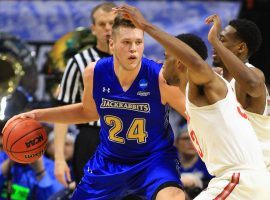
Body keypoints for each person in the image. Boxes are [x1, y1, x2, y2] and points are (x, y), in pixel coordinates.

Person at [3, 11, 187, 200]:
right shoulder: (94, 72)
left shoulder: (159, 78)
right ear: (112, 44)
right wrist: (37, 115)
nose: (133, 48)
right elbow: (88, 112)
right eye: (126, 42)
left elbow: (193, 115)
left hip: (153, 161)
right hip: (109, 161)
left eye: (138, 42)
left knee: (173, 197)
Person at [113, 4, 270, 199]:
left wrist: (145, 25)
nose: (161, 63)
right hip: (243, 179)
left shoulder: (203, 86)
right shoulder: (202, 90)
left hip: (240, 180)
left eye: (166, 57)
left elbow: (195, 62)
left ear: (180, 62)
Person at [54, 2, 116, 186]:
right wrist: (59, 159)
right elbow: (63, 111)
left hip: (129, 136)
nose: (108, 28)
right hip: (91, 138)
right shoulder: (79, 61)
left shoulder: (136, 59)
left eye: (112, 23)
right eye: (102, 24)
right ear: (93, 29)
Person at [207, 14, 270, 171]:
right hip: (231, 167)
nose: (214, 45)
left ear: (241, 48)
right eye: (217, 40)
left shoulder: (254, 74)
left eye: (222, 40)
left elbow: (252, 83)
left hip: (258, 168)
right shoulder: (217, 78)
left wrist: (213, 39)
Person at [175, 124, 212, 198]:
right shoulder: (169, 164)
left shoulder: (209, 163)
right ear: (176, 142)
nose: (191, 142)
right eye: (186, 138)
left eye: (194, 138)